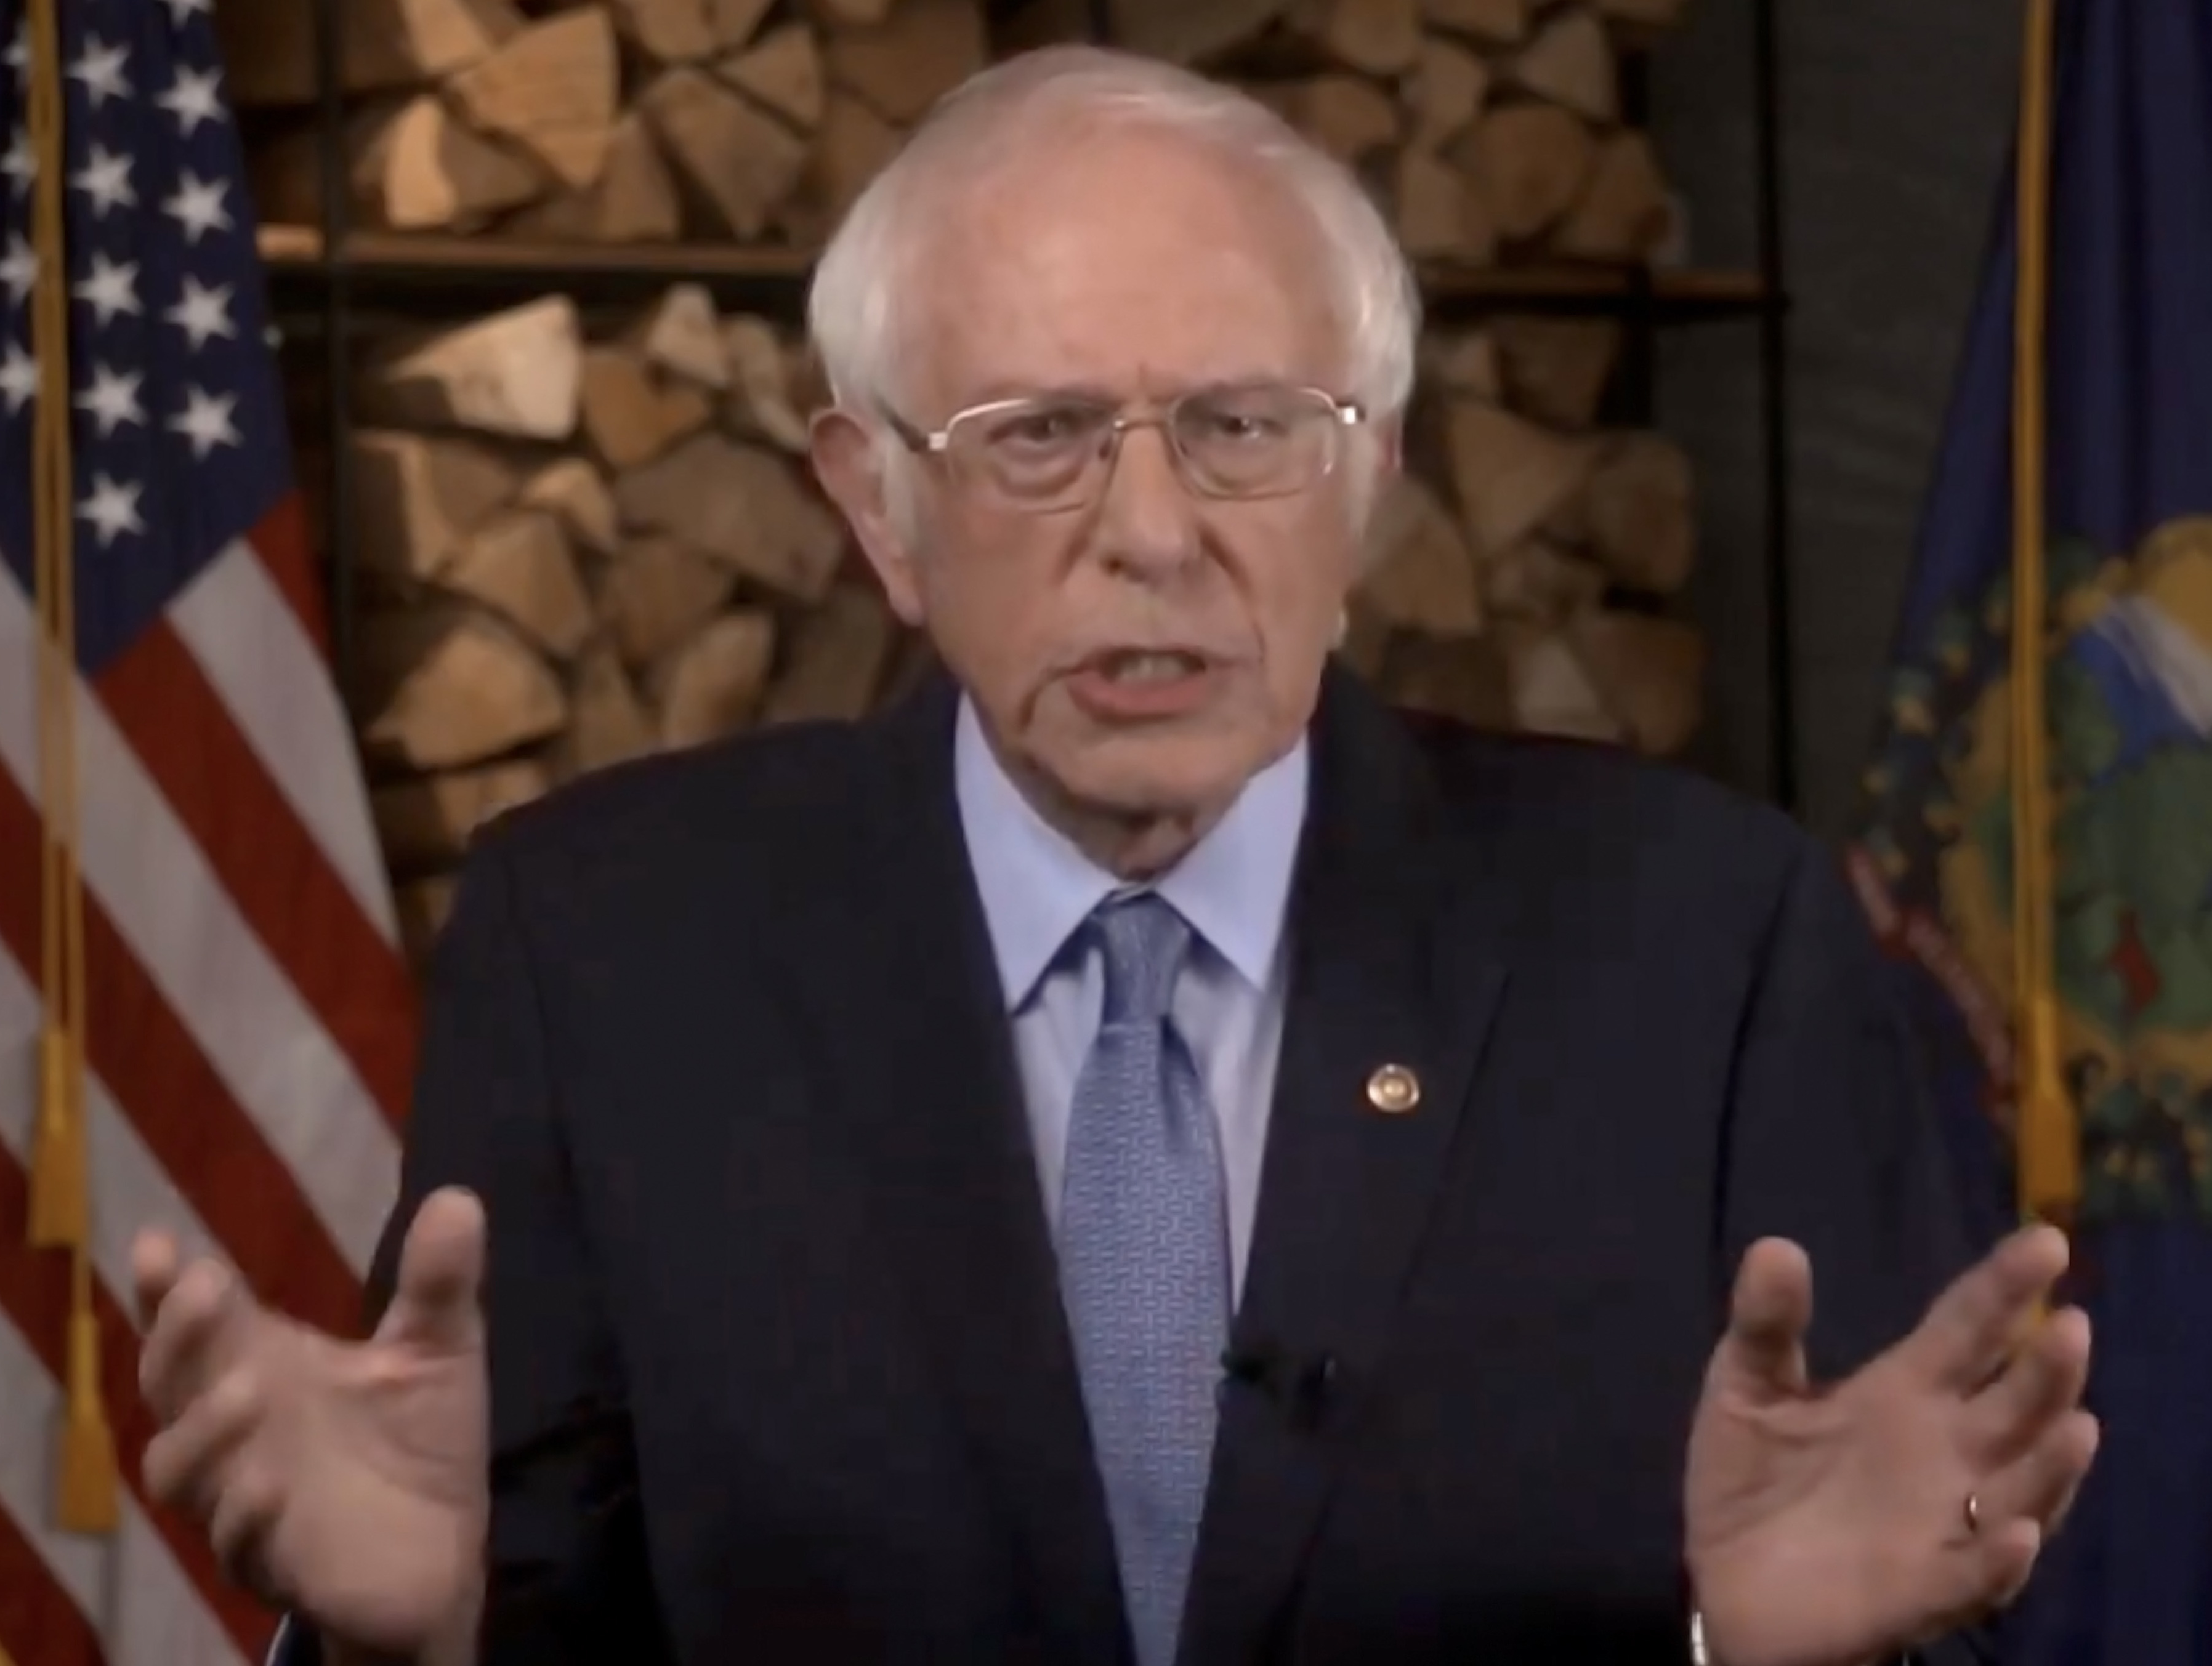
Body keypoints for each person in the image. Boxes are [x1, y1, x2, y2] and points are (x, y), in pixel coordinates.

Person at [132, 44, 2095, 1666]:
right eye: (1039, 434)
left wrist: (1768, 1661)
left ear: (1369, 484)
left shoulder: (1704, 940)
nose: (1151, 529)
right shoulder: (606, 950)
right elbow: (529, 1608)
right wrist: (414, 1631)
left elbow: (1904, 1573)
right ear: (876, 510)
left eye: (1242, 425)